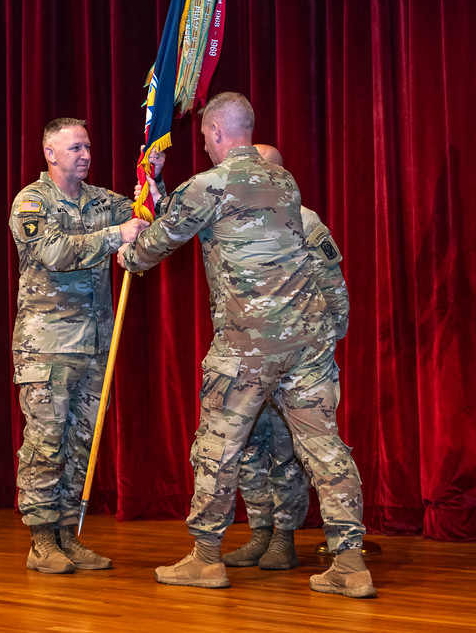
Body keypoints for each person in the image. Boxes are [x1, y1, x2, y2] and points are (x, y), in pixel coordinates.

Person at [118, 93, 374, 597]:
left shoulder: (209, 184)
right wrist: (160, 192)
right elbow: (211, 218)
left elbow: (156, 243)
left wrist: (129, 251)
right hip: (306, 340)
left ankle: (205, 559)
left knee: (217, 449)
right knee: (326, 449)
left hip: (246, 346)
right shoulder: (284, 182)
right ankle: (350, 564)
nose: (204, 146)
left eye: (204, 137)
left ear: (215, 132)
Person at [10, 117, 162, 574]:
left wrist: (152, 183)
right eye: (75, 148)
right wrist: (116, 235)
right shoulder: (32, 201)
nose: (86, 155)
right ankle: (41, 541)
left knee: (81, 445)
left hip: (95, 346)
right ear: (50, 153)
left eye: (88, 147)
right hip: (48, 347)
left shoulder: (100, 200)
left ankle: (67, 536)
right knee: (46, 445)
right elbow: (53, 253)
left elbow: (145, 217)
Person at [220, 144, 350, 573]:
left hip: (294, 358)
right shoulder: (234, 218)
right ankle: (260, 531)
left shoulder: (305, 221)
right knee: (248, 451)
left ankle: (283, 538)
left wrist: (322, 345)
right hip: (245, 357)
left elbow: (334, 288)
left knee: (286, 452)